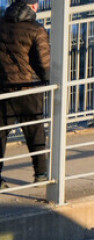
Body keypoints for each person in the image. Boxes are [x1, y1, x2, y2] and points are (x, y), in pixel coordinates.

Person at [0, 0, 50, 189]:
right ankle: (41, 174)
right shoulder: (36, 29)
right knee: (35, 132)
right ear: (34, 7)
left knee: (0, 134)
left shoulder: (1, 23)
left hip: (3, 89)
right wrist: (47, 79)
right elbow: (43, 63)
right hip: (27, 89)